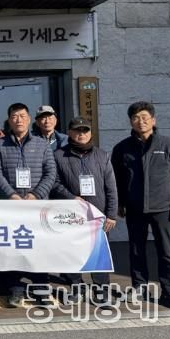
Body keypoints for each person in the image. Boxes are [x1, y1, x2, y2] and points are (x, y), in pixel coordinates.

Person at [111, 101, 170, 309]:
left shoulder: (168, 145)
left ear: (153, 120)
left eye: (144, 117)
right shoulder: (122, 148)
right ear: (130, 121)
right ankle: (139, 288)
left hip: (162, 207)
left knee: (166, 251)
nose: (140, 121)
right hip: (134, 208)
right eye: (136, 118)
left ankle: (169, 292)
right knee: (136, 250)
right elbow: (116, 179)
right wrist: (120, 203)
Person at [0, 103, 57, 307]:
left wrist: (35, 195)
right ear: (9, 120)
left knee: (39, 249)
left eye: (22, 116)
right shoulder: (0, 144)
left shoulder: (42, 144)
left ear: (29, 119)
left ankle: (41, 290)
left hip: (36, 208)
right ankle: (16, 291)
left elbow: (51, 173)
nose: (18, 119)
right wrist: (11, 194)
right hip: (11, 207)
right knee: (13, 249)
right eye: (14, 116)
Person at [52, 117, 118, 298]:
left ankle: (101, 289)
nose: (81, 134)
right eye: (77, 130)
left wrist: (111, 215)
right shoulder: (59, 155)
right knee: (73, 251)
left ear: (90, 132)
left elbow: (111, 187)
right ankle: (76, 287)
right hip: (72, 214)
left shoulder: (102, 155)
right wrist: (71, 197)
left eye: (85, 130)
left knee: (99, 253)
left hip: (98, 215)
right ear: (69, 132)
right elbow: (55, 183)